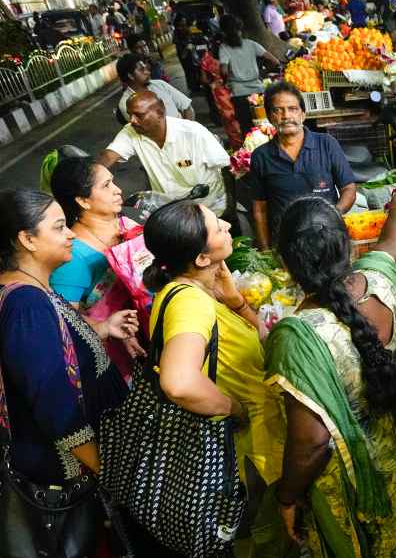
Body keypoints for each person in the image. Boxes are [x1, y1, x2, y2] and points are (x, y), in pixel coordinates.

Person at [266, 187, 396, 555]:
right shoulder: (382, 281)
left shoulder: (298, 336)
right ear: (347, 243)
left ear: (287, 264)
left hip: (368, 484)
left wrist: (286, 497)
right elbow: (391, 243)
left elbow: (311, 443)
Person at [141, 200, 288, 556]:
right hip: (244, 454)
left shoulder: (201, 291)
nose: (225, 223)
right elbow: (178, 382)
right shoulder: (189, 303)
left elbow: (254, 339)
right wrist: (234, 409)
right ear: (201, 258)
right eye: (215, 226)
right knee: (263, 537)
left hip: (259, 444)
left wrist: (235, 301)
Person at [0, 188, 132, 490]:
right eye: (59, 227)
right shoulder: (26, 306)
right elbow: (55, 406)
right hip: (76, 471)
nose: (70, 235)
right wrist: (108, 474)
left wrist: (101, 329)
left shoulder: (33, 289)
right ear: (27, 239)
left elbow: (57, 350)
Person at [49, 155, 147, 384]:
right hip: (113, 357)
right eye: (106, 185)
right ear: (83, 201)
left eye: (113, 181)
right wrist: (108, 327)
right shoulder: (73, 257)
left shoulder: (126, 225)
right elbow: (66, 323)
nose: (118, 190)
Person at [248, 82, 357, 250]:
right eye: (278, 110)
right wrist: (266, 251)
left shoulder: (326, 144)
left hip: (328, 239)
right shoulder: (261, 156)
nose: (286, 116)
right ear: (270, 117)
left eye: (293, 109)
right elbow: (259, 211)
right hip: (285, 246)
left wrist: (332, 215)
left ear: (303, 114)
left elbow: (348, 189)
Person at [96, 91, 233, 222]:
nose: (132, 120)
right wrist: (91, 180)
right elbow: (108, 156)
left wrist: (231, 207)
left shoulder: (193, 132)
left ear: (160, 113)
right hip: (173, 213)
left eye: (139, 115)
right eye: (130, 114)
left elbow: (226, 168)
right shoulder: (131, 132)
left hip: (211, 209)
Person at [219, 14, 280, 136]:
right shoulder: (251, 44)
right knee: (265, 126)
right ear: (240, 29)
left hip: (238, 93)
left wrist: (227, 81)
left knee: (247, 129)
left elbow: (224, 71)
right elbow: (275, 61)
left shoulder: (224, 48)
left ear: (224, 32)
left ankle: (250, 154)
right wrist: (262, 73)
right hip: (258, 92)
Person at [116, 53, 194, 121]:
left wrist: (187, 131)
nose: (148, 72)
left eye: (146, 68)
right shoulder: (126, 103)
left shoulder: (160, 84)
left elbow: (187, 107)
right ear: (130, 76)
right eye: (142, 70)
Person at [200, 36, 243, 148]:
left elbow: (204, 79)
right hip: (238, 86)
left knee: (229, 119)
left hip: (220, 92)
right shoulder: (232, 53)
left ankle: (238, 147)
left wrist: (214, 83)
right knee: (242, 115)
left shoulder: (207, 58)